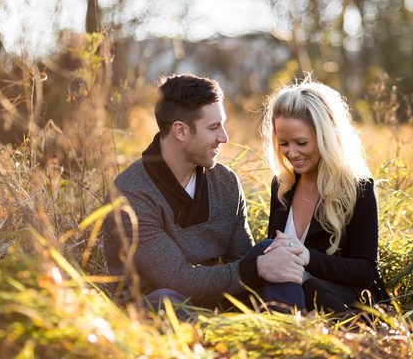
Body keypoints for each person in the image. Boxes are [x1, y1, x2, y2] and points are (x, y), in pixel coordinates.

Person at [100, 74, 304, 313]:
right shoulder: (129, 196)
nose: (224, 137)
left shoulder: (225, 182)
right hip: (155, 312)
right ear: (181, 131)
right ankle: (225, 343)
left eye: (223, 124)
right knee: (167, 301)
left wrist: (265, 263)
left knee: (271, 251)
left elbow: (242, 261)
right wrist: (257, 268)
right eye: (213, 127)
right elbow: (179, 280)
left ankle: (286, 335)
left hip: (215, 301)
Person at [260, 77, 387, 315]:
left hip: (340, 301)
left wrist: (309, 258)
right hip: (287, 300)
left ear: (325, 136)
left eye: (301, 142)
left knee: (313, 288)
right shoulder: (282, 187)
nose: (292, 153)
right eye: (283, 143)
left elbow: (366, 270)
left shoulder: (358, 187)